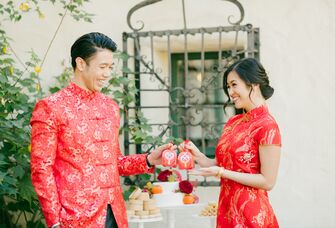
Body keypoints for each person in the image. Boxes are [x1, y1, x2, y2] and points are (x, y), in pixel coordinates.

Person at [30, 32, 171, 228]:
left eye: (110, 67)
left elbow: (114, 163)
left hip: (114, 214)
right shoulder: (51, 107)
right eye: (102, 67)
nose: (107, 74)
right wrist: (54, 221)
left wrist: (147, 160)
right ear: (80, 64)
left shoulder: (110, 107)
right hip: (73, 218)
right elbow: (41, 170)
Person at [186, 58, 281, 227]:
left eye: (234, 84)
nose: (230, 92)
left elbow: (268, 181)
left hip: (251, 215)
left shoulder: (267, 125)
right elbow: (223, 165)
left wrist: (222, 173)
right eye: (228, 87)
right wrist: (199, 156)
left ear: (254, 84)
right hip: (226, 210)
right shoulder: (233, 123)